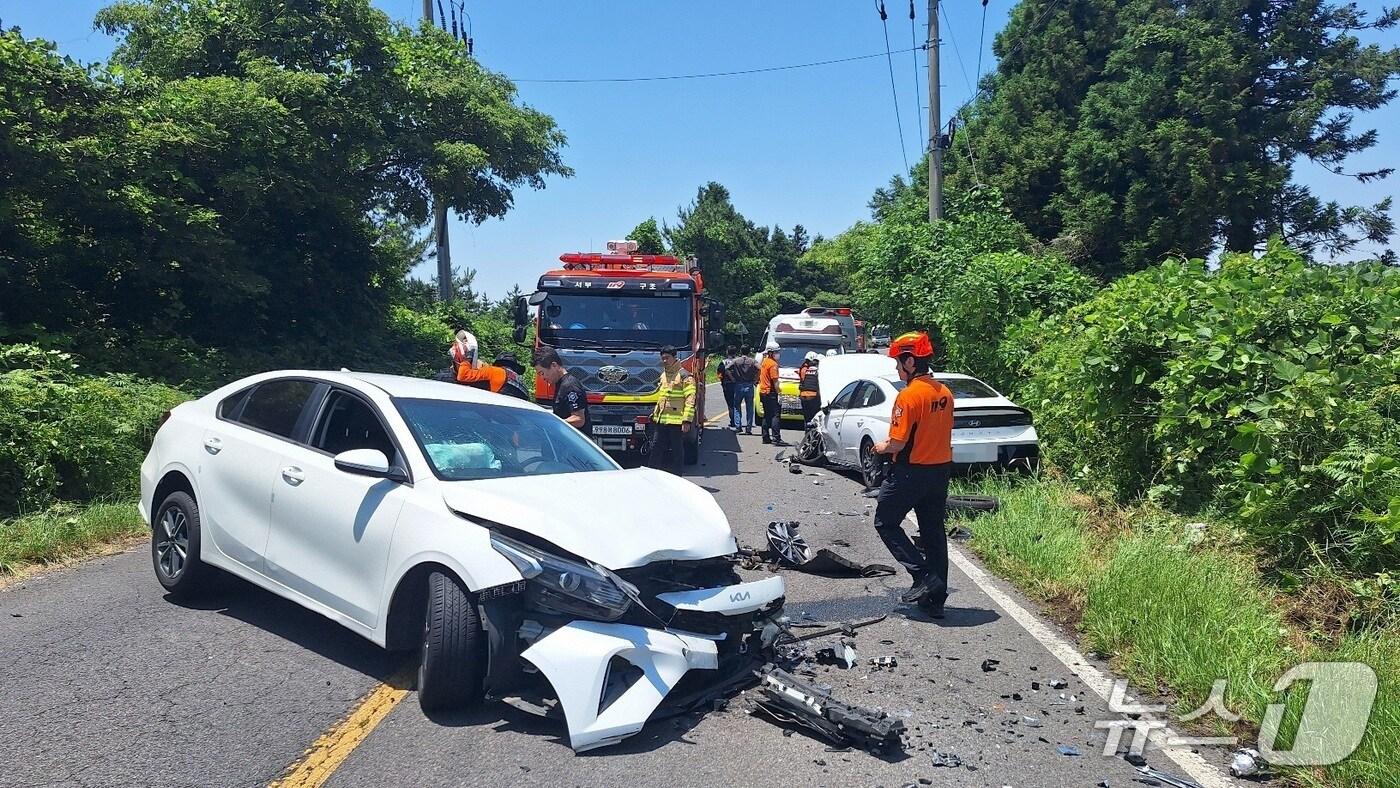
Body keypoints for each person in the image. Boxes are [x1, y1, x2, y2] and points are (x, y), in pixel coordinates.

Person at [870, 331, 956, 617]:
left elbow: (897, 443)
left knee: (885, 522)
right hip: (940, 471)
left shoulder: (908, 396)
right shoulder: (944, 393)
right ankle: (935, 600)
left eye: (898, 362)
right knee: (933, 532)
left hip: (910, 472)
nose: (897, 368)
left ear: (910, 362)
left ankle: (922, 576)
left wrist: (880, 447)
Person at [648, 345, 695, 476]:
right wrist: (654, 414)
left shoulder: (685, 376)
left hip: (676, 421)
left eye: (667, 358)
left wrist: (687, 420)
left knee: (677, 451)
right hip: (661, 419)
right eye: (662, 358)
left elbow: (690, 399)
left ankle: (677, 476)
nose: (664, 360)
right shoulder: (664, 375)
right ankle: (650, 476)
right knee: (656, 448)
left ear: (675, 357)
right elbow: (662, 397)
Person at [533, 346, 589, 432]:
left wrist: (551, 423)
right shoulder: (560, 384)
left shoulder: (570, 386)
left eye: (542, 373)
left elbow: (579, 419)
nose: (542, 378)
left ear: (554, 365)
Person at [758, 343, 786, 446]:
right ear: (770, 353)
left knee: (767, 415)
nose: (778, 354)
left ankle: (765, 437)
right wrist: (780, 394)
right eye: (776, 352)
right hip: (771, 393)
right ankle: (776, 437)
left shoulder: (765, 362)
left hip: (763, 392)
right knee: (775, 415)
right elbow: (775, 382)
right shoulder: (773, 364)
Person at [729, 346, 758, 435]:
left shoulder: (736, 361)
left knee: (737, 406)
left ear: (741, 351)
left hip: (739, 385)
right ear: (749, 352)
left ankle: (738, 427)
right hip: (749, 385)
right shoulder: (752, 361)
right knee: (750, 407)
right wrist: (756, 379)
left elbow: (726, 368)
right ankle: (748, 428)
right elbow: (760, 368)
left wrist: (732, 378)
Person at [797, 351, 822, 426]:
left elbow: (802, 380)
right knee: (815, 417)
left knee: (807, 418)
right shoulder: (818, 370)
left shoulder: (804, 369)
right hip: (813, 395)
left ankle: (807, 431)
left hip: (803, 395)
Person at [718, 346, 738, 429]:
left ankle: (733, 421)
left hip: (727, 385)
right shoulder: (738, 361)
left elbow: (720, 374)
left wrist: (722, 381)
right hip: (737, 384)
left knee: (730, 404)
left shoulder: (723, 362)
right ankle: (738, 421)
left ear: (727, 352)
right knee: (737, 403)